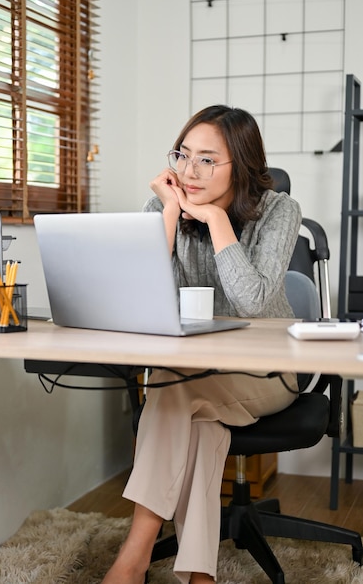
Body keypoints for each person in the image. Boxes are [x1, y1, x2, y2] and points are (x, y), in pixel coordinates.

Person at [101, 105, 302, 584]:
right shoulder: (164, 207)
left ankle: (135, 553)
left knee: (172, 387)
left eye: (207, 160)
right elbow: (143, 299)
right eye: (183, 155)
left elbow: (252, 301)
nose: (189, 171)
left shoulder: (280, 211)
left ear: (244, 165)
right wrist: (170, 214)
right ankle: (200, 575)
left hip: (268, 372)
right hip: (197, 375)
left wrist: (214, 218)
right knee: (199, 420)